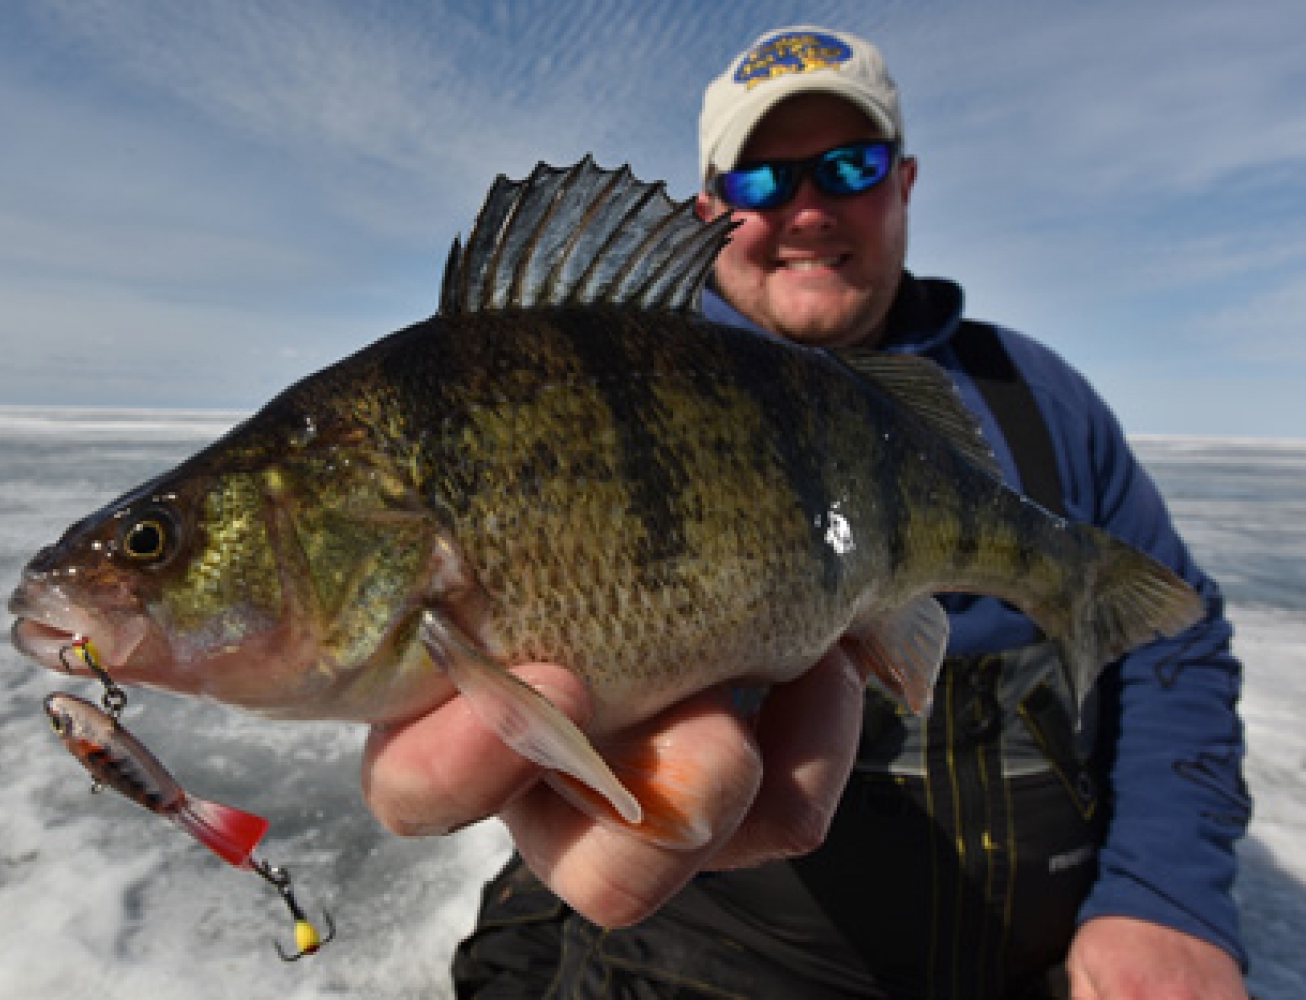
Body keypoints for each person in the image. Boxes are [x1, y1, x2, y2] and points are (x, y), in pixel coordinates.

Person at [362, 25, 1250, 999]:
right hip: (706, 954)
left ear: (902, 183)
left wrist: (1163, 896)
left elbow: (1172, 645)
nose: (807, 209)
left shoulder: (1038, 397)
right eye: (760, 182)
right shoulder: (586, 380)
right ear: (708, 206)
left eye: (848, 166)